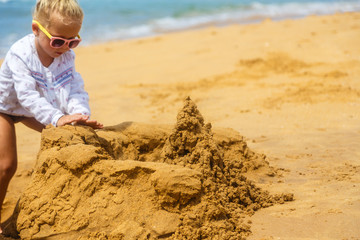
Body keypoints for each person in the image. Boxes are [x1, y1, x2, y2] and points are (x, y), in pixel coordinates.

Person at [0, 0, 103, 233]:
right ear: (36, 29)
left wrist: (79, 115)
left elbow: (73, 89)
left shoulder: (66, 55)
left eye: (73, 41)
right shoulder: (20, 53)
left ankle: (29, 213)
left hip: (30, 109)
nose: (65, 47)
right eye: (58, 41)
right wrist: (57, 117)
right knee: (6, 166)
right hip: (4, 107)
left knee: (69, 136)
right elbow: (26, 96)